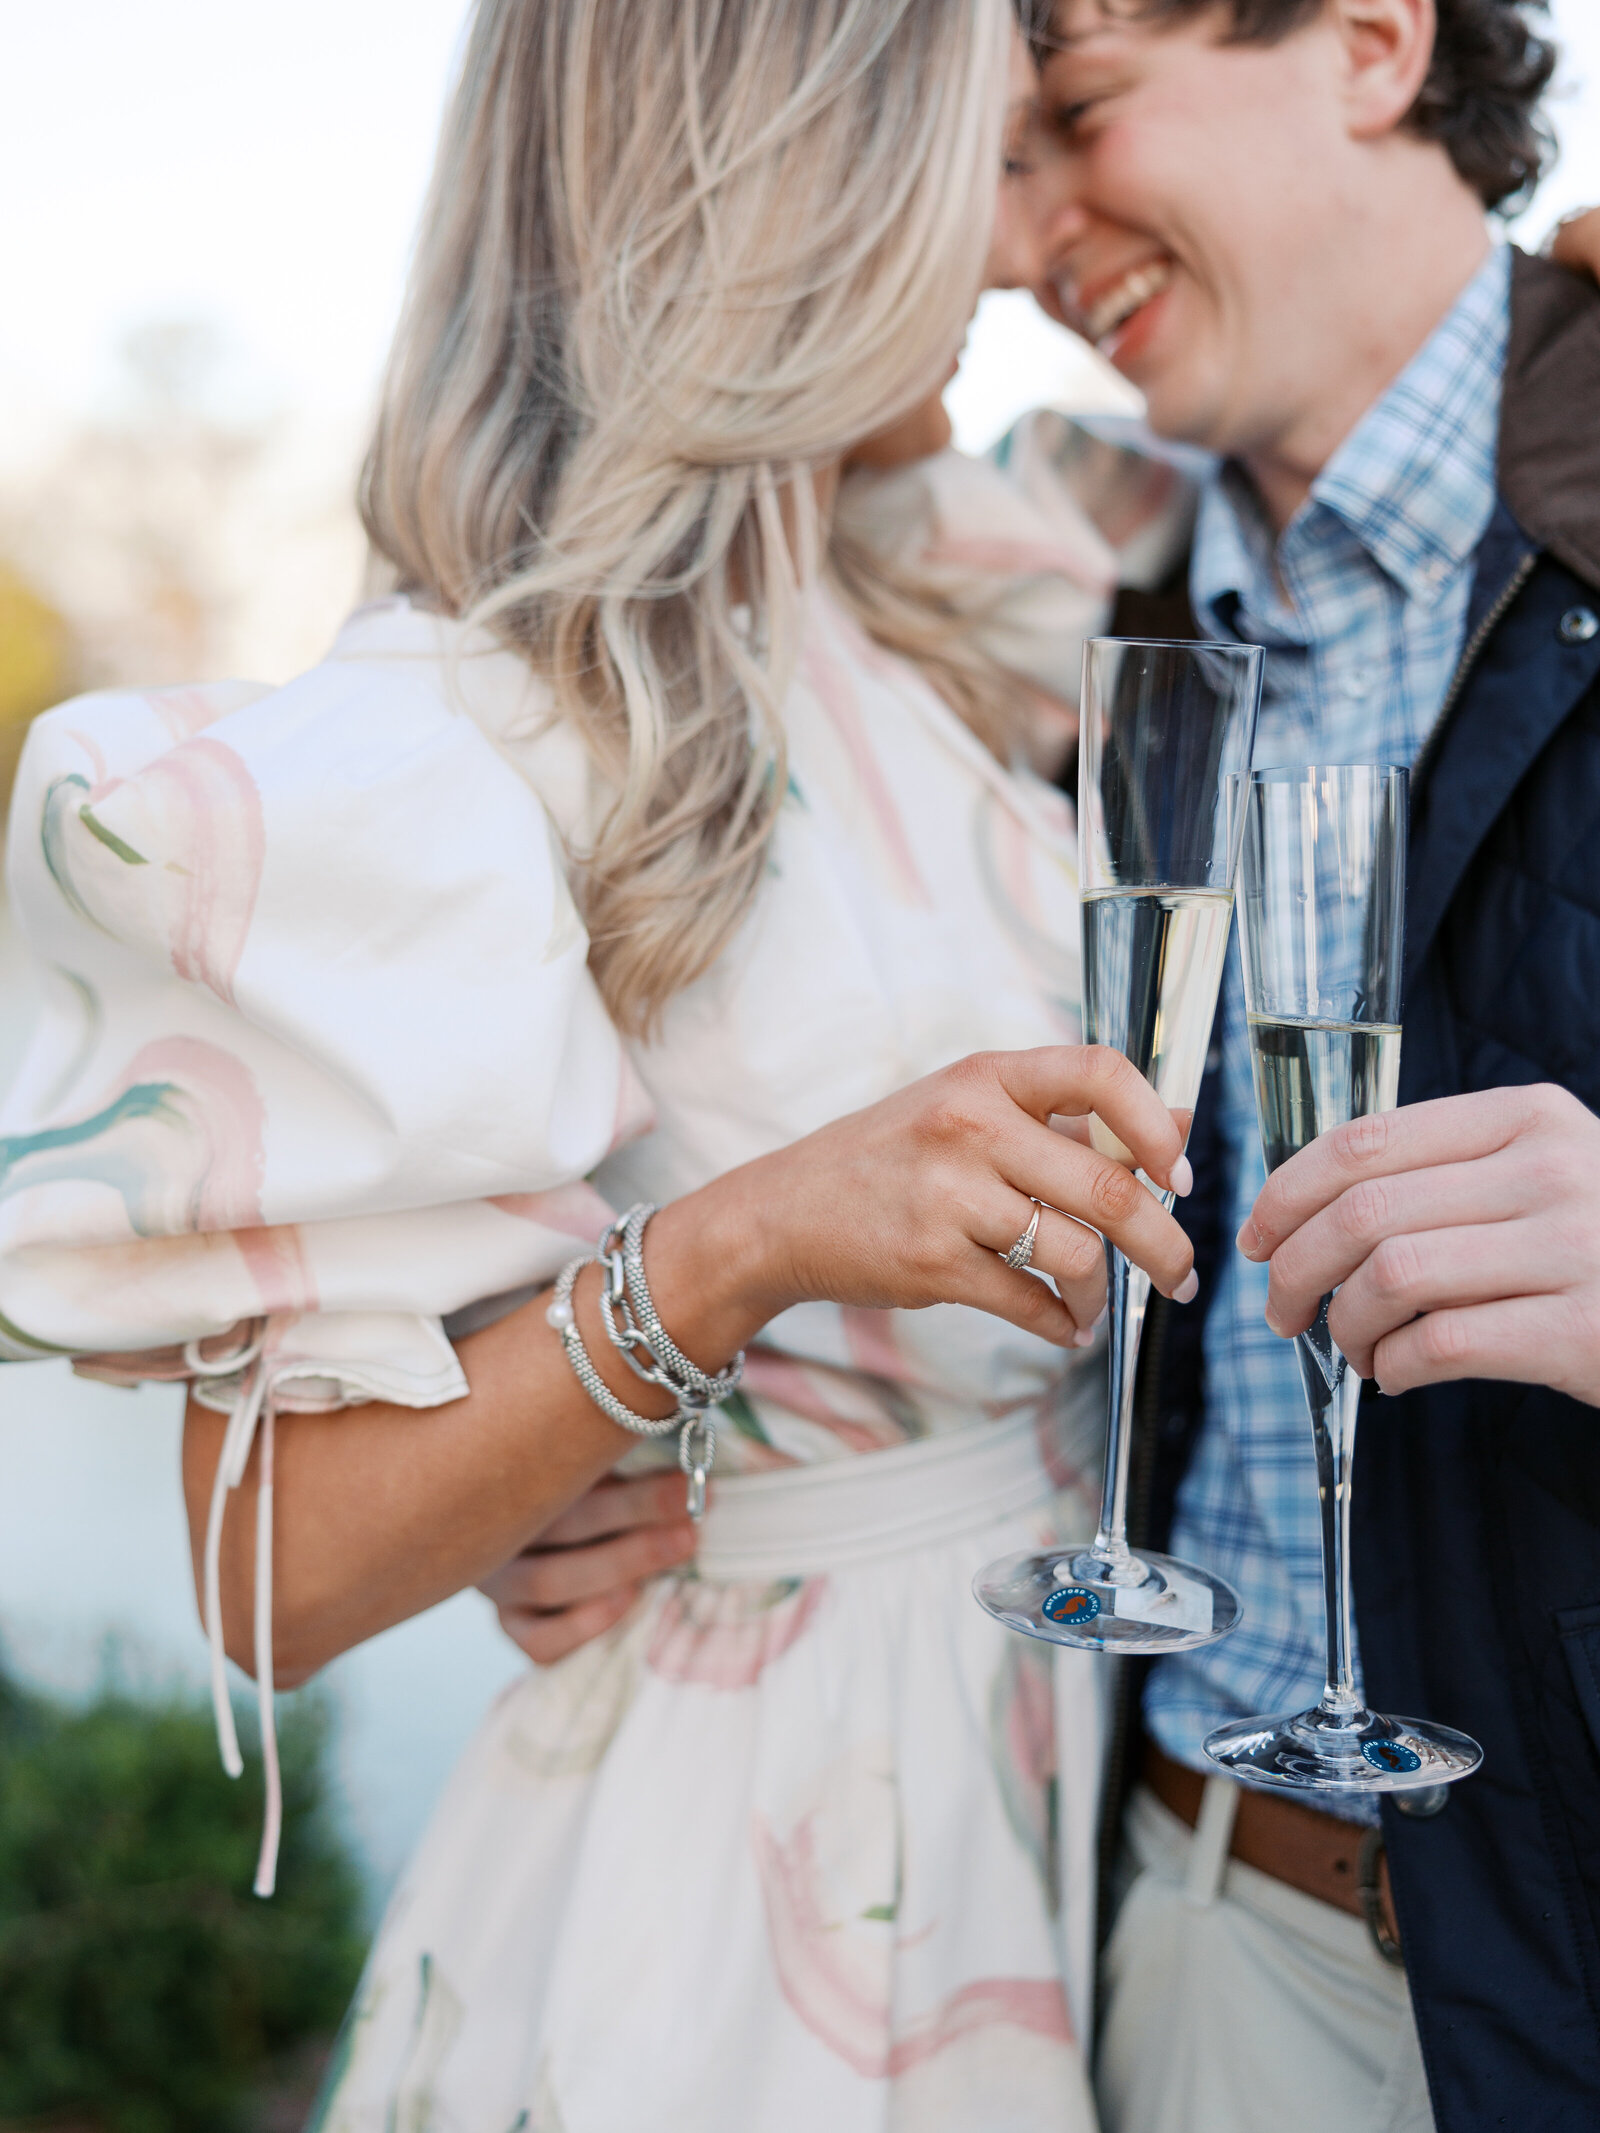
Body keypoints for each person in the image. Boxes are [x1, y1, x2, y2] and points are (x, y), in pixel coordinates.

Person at [0, 4, 1201, 2127]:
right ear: (803, 177)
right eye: (978, 162)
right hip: (748, 1853)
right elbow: (262, 1573)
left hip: (1043, 1751)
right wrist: (716, 1262)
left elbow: (1275, 476)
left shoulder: (905, 601)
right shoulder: (453, 727)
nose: (1021, 250)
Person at [1010, 4, 1600, 2130]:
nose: (1023, 243)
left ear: (1364, 42)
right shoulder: (1083, 624)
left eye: (1075, 116)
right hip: (1197, 1930)